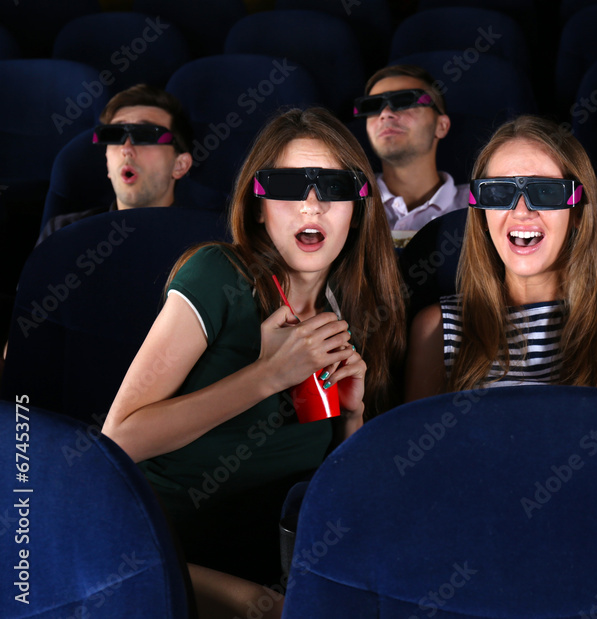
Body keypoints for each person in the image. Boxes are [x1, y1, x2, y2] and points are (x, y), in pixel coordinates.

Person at [101, 107, 407, 616]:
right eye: (289, 186)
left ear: (357, 207)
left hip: (276, 550)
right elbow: (119, 437)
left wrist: (353, 417)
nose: (312, 206)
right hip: (162, 546)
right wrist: (266, 376)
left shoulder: (350, 311)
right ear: (260, 205)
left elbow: (338, 493)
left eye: (332, 188)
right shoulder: (217, 276)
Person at [405, 115, 597, 400]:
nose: (521, 211)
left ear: (578, 213)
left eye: (546, 191)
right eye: (499, 192)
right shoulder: (436, 329)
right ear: (482, 215)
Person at [37, 84, 194, 244]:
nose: (126, 149)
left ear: (180, 165)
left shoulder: (206, 241)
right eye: (114, 135)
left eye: (145, 135)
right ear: (107, 164)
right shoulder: (63, 233)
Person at [355, 64, 467, 242]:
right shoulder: (348, 205)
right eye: (373, 106)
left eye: (404, 101)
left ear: (441, 126)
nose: (385, 114)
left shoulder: (479, 209)